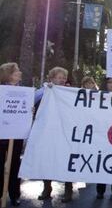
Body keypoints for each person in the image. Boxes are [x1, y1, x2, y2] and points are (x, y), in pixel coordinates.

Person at [36, 67, 74, 203]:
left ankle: (68, 189)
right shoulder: (47, 90)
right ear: (51, 78)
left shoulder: (70, 92)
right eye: (59, 77)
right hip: (48, 132)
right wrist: (47, 88)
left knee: (66, 160)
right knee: (48, 159)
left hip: (65, 132)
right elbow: (33, 98)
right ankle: (47, 188)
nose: (62, 79)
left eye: (64, 77)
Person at [0, 63, 24, 206]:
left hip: (16, 134)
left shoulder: (23, 91)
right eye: (17, 71)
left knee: (15, 164)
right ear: (9, 75)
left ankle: (14, 194)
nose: (20, 72)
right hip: (2, 135)